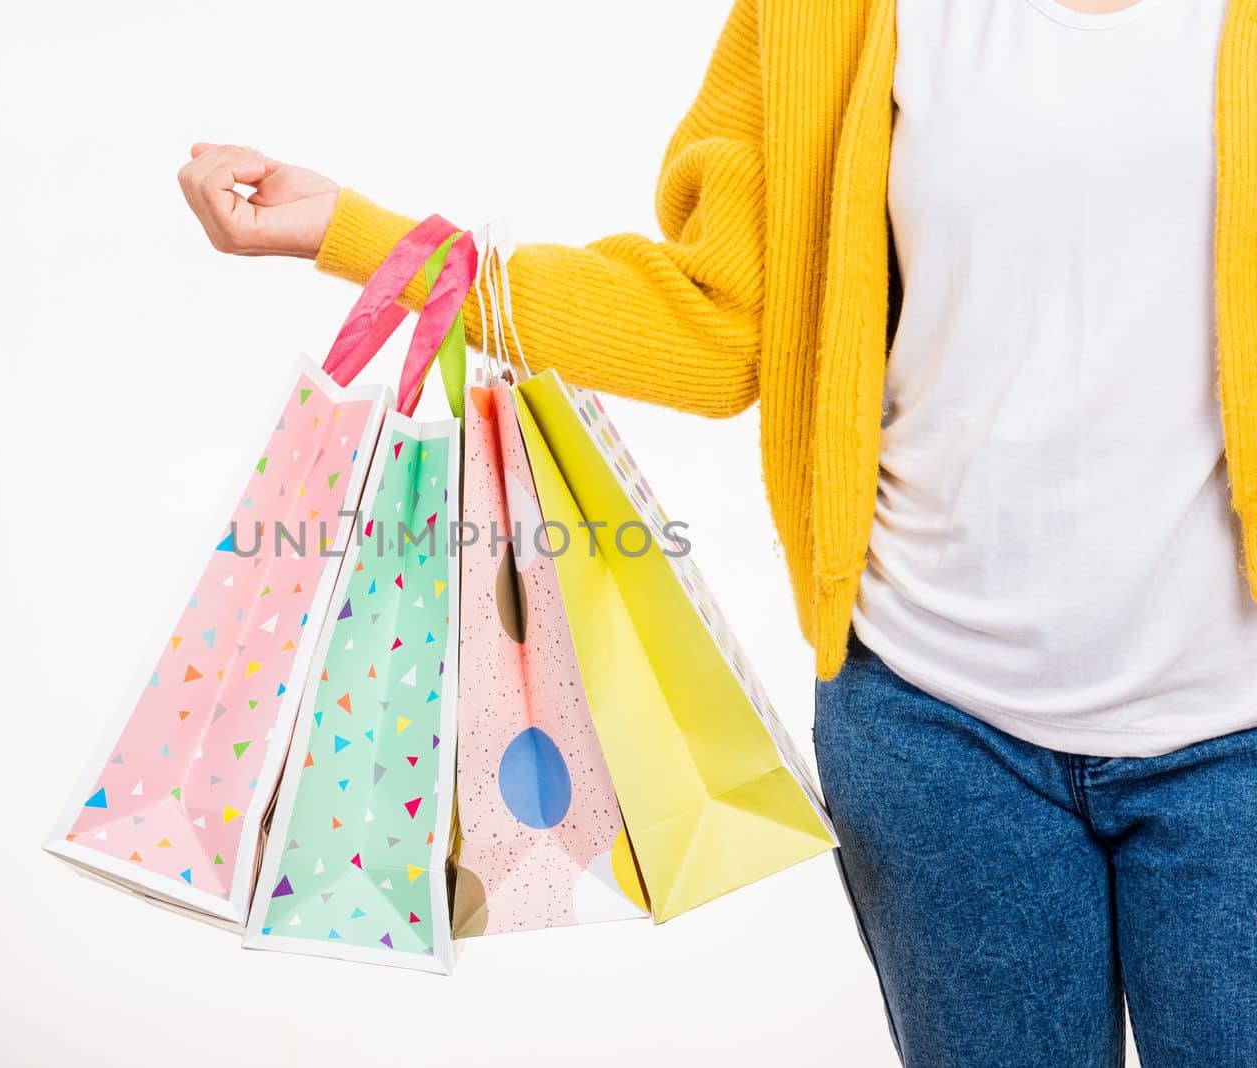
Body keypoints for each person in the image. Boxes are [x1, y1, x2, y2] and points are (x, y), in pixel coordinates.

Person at [179, 1, 1257, 1063]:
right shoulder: (824, 16)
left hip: (1237, 732)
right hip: (937, 727)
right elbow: (715, 326)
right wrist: (369, 240)